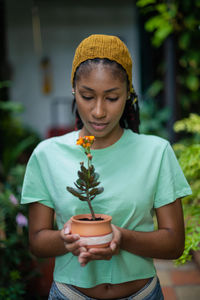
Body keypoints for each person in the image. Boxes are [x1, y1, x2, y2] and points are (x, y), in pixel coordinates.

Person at [21, 34, 192, 300]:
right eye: (88, 96)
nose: (98, 111)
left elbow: (174, 243)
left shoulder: (156, 153)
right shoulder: (47, 155)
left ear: (128, 96)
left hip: (142, 295)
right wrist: (67, 239)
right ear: (74, 91)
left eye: (112, 98)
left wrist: (121, 238)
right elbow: (37, 241)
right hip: (70, 294)